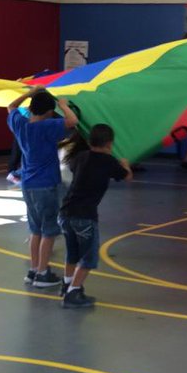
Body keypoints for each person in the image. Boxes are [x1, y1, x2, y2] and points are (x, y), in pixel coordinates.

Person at [7, 88, 78, 289]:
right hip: (46, 185)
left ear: (30, 108)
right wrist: (64, 105)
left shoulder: (21, 125)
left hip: (27, 185)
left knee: (35, 229)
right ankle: (43, 273)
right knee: (49, 231)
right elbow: (72, 122)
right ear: (49, 111)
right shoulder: (49, 126)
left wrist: (29, 93)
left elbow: (11, 106)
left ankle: (34, 269)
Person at [58, 123, 132, 308]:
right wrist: (125, 165)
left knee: (72, 252)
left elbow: (75, 169)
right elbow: (127, 177)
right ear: (109, 144)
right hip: (85, 216)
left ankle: (67, 284)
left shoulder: (81, 157)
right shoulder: (109, 162)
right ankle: (73, 292)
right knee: (89, 258)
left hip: (65, 213)